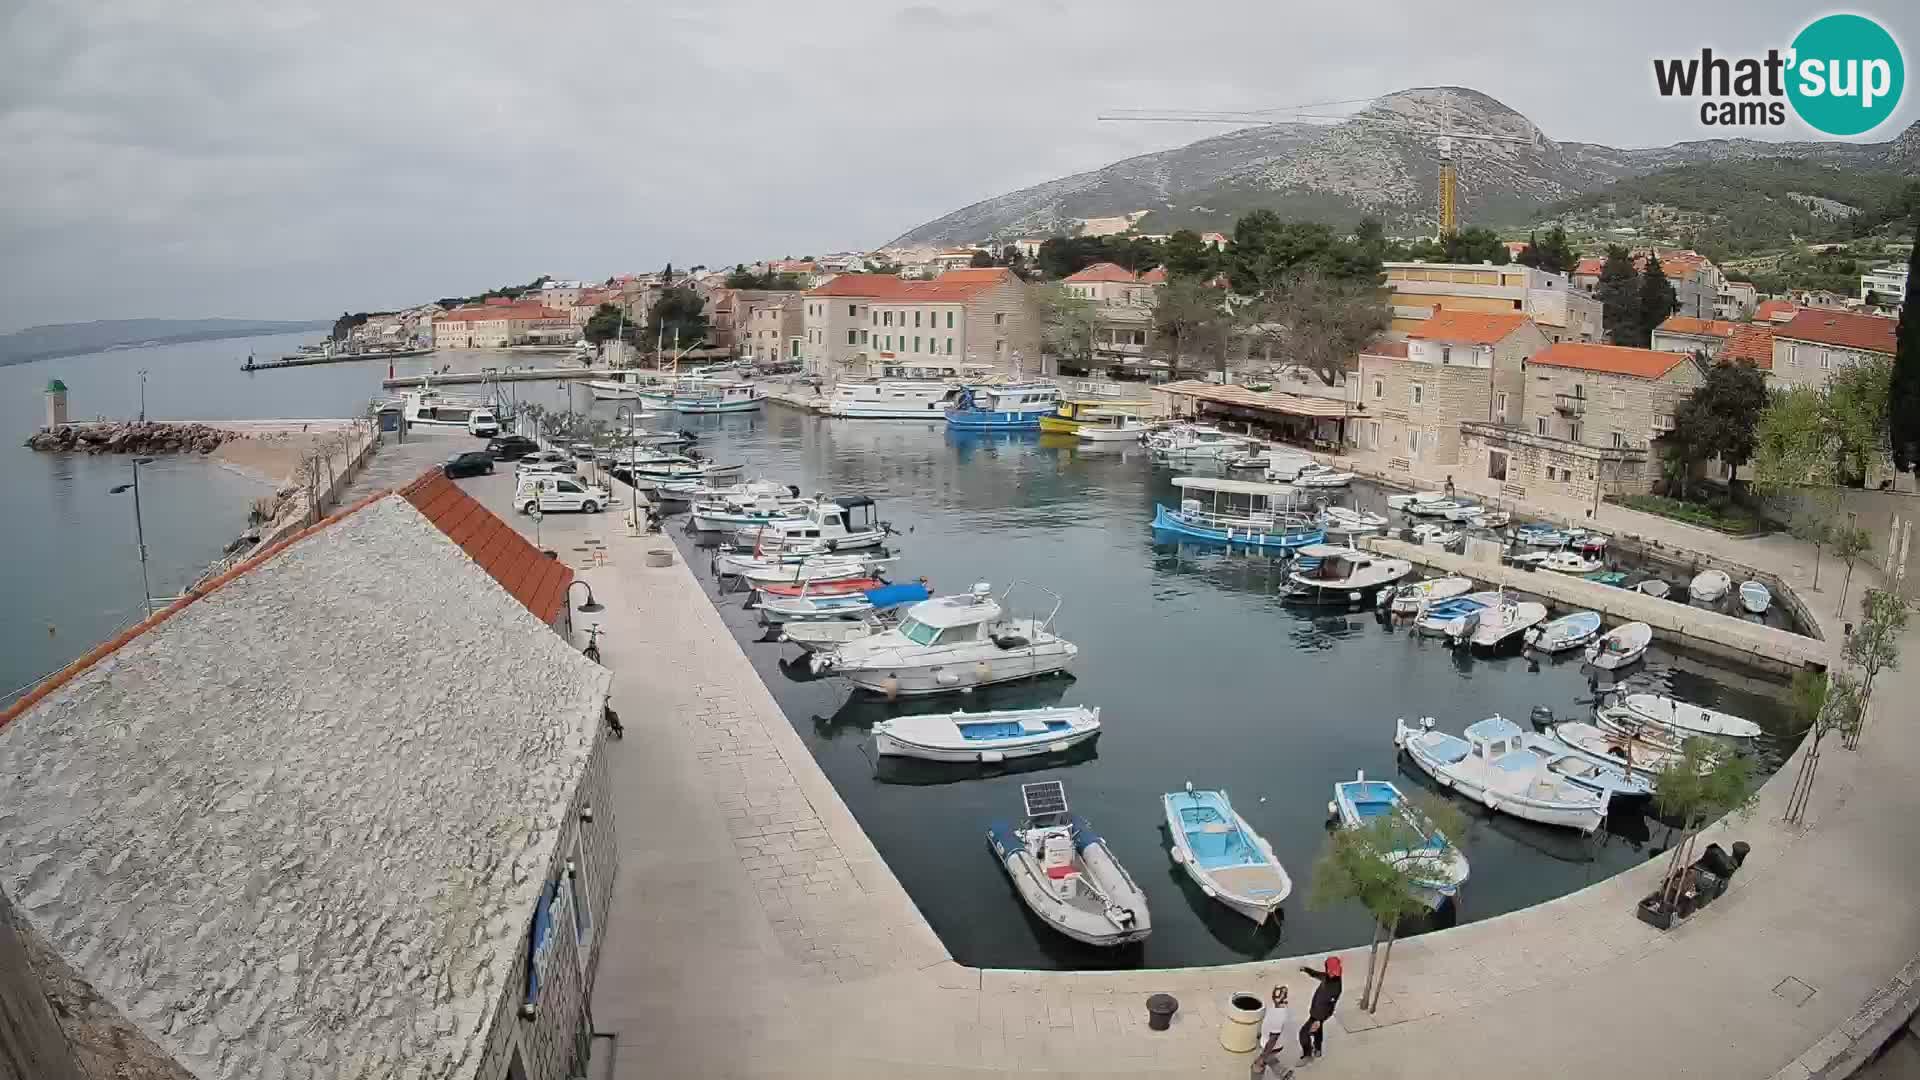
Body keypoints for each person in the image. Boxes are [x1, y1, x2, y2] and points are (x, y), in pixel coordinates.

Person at [1299, 957, 1343, 1062]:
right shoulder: (1328, 976)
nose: (1327, 970)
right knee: (1318, 1031)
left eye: (1328, 968)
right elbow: (1317, 974)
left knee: (1303, 1034)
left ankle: (1307, 1055)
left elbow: (1329, 1007)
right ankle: (1318, 1049)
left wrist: (1319, 1020)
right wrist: (1306, 969)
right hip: (1316, 1012)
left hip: (1319, 1014)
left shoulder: (1335, 988)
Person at [1253, 985, 1293, 1078]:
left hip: (1273, 1047)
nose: (1274, 995)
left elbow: (1273, 1039)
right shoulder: (1279, 1008)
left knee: (1257, 1066)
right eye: (1275, 992)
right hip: (1273, 1044)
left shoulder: (1278, 1016)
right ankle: (1286, 1074)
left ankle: (1286, 1075)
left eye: (1278, 994)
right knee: (1271, 1060)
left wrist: (1262, 1057)